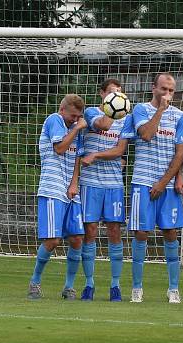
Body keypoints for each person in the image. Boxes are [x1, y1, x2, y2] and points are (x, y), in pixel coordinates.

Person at [125, 72, 183, 303]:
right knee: (141, 233)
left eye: (171, 91)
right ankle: (137, 288)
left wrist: (164, 182)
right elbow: (146, 135)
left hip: (168, 185)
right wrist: (161, 111)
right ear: (154, 88)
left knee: (171, 233)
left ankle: (173, 289)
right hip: (142, 180)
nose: (167, 94)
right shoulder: (140, 110)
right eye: (163, 89)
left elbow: (180, 152)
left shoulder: (180, 116)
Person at [68, 78, 127, 302]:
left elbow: (120, 149)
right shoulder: (91, 113)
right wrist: (112, 111)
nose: (116, 98)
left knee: (114, 231)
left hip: (113, 184)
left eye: (120, 94)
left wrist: (96, 155)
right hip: (90, 183)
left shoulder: (126, 119)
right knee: (90, 231)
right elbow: (103, 125)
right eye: (112, 94)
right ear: (102, 94)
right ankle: (89, 284)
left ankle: (115, 286)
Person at [27, 94, 87, 300]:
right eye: (73, 116)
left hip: (70, 191)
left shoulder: (75, 128)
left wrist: (74, 183)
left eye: (78, 117)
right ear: (63, 110)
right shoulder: (54, 120)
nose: (75, 119)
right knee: (52, 241)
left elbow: (77, 157)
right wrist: (77, 128)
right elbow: (60, 149)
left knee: (77, 238)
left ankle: (69, 287)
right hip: (52, 189)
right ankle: (35, 281)